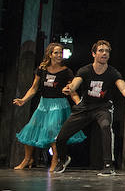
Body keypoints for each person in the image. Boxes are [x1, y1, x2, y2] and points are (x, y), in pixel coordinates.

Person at [54, 40, 125, 176]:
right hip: (85, 107)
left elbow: (123, 88)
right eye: (101, 50)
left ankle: (108, 164)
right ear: (94, 54)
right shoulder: (85, 70)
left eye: (107, 51)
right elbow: (75, 84)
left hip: (103, 107)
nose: (104, 53)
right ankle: (63, 159)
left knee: (106, 126)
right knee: (60, 138)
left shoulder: (113, 72)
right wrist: (69, 88)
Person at [13, 42, 86, 171]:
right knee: (30, 129)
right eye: (56, 52)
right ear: (50, 54)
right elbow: (34, 88)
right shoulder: (41, 69)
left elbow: (72, 91)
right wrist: (23, 100)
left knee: (54, 132)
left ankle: (55, 160)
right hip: (43, 104)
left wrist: (79, 104)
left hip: (58, 105)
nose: (59, 55)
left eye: (60, 53)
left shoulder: (66, 72)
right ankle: (27, 159)